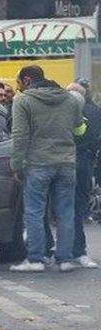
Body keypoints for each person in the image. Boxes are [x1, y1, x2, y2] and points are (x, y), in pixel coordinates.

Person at [9, 65, 82, 273]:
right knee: (66, 213)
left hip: (38, 163)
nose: (19, 87)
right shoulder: (70, 99)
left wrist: (16, 163)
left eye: (19, 83)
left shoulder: (23, 101)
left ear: (27, 80)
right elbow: (78, 125)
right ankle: (65, 259)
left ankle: (36, 259)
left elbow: (20, 135)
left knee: (34, 212)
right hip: (67, 162)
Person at [66, 81, 100, 268]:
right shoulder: (93, 111)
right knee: (76, 208)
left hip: (66, 163)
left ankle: (55, 250)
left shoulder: (65, 112)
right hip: (81, 164)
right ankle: (76, 250)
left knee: (62, 208)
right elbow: (93, 138)